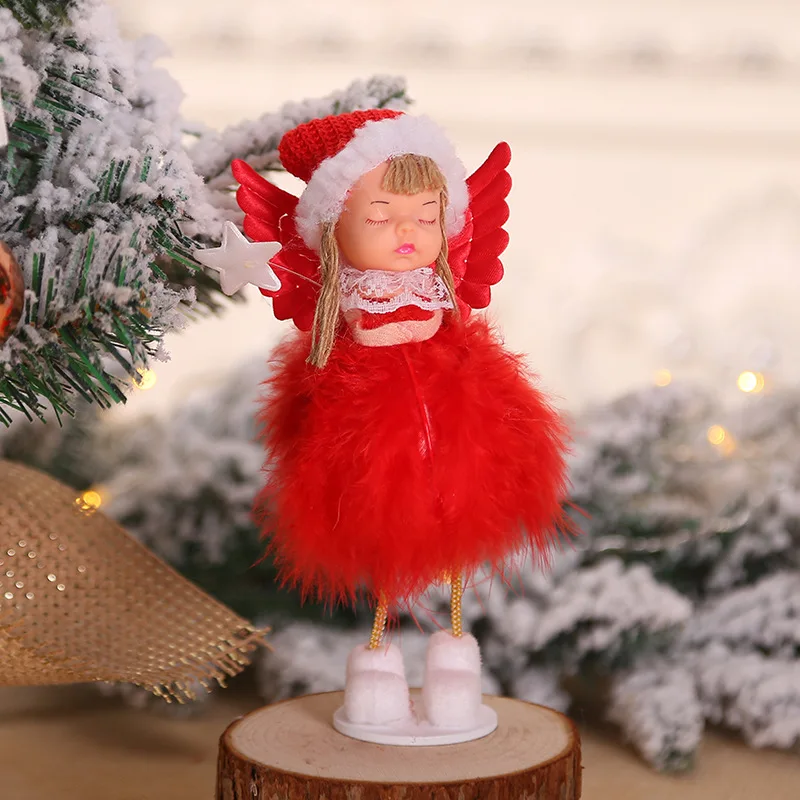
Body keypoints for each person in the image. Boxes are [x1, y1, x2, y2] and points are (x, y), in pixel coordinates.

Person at [232, 109, 570, 731]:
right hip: (373, 437)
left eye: (427, 216)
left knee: (461, 529)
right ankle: (377, 669)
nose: (407, 231)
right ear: (332, 229)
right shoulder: (340, 303)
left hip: (459, 424)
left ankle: (455, 663)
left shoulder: (442, 296)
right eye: (380, 217)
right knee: (386, 538)